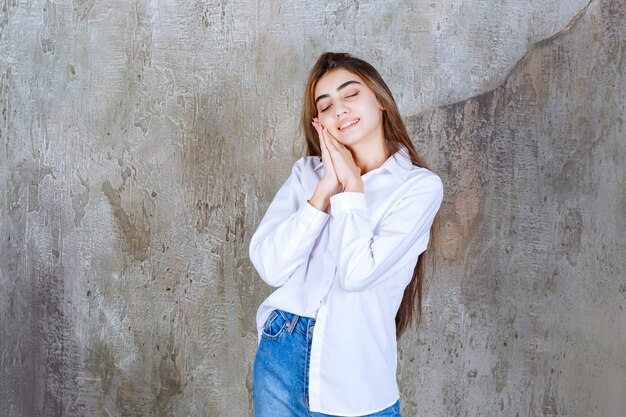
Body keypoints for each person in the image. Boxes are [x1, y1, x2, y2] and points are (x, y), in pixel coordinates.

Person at [249, 52, 444, 417]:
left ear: (380, 100)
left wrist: (352, 187)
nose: (339, 109)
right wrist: (324, 191)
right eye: (325, 106)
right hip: (281, 353)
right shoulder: (307, 174)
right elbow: (270, 268)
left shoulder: (418, 187)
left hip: (357, 372)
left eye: (350, 94)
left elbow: (356, 273)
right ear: (319, 122)